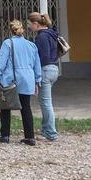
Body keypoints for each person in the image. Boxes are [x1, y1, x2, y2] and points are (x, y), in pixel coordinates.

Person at [0, 19, 43, 146]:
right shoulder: (31, 45)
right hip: (27, 79)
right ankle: (30, 137)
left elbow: (2, 62)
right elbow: (37, 64)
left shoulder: (7, 44)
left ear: (11, 31)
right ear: (23, 30)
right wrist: (37, 80)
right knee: (26, 107)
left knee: (5, 107)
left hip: (11, 79)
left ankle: (5, 135)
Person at [29, 11, 61, 142]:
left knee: (46, 102)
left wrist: (36, 74)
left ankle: (50, 132)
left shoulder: (41, 37)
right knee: (46, 101)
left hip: (46, 70)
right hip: (54, 69)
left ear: (36, 24)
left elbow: (43, 57)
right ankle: (46, 129)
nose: (29, 27)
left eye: (30, 24)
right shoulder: (52, 34)